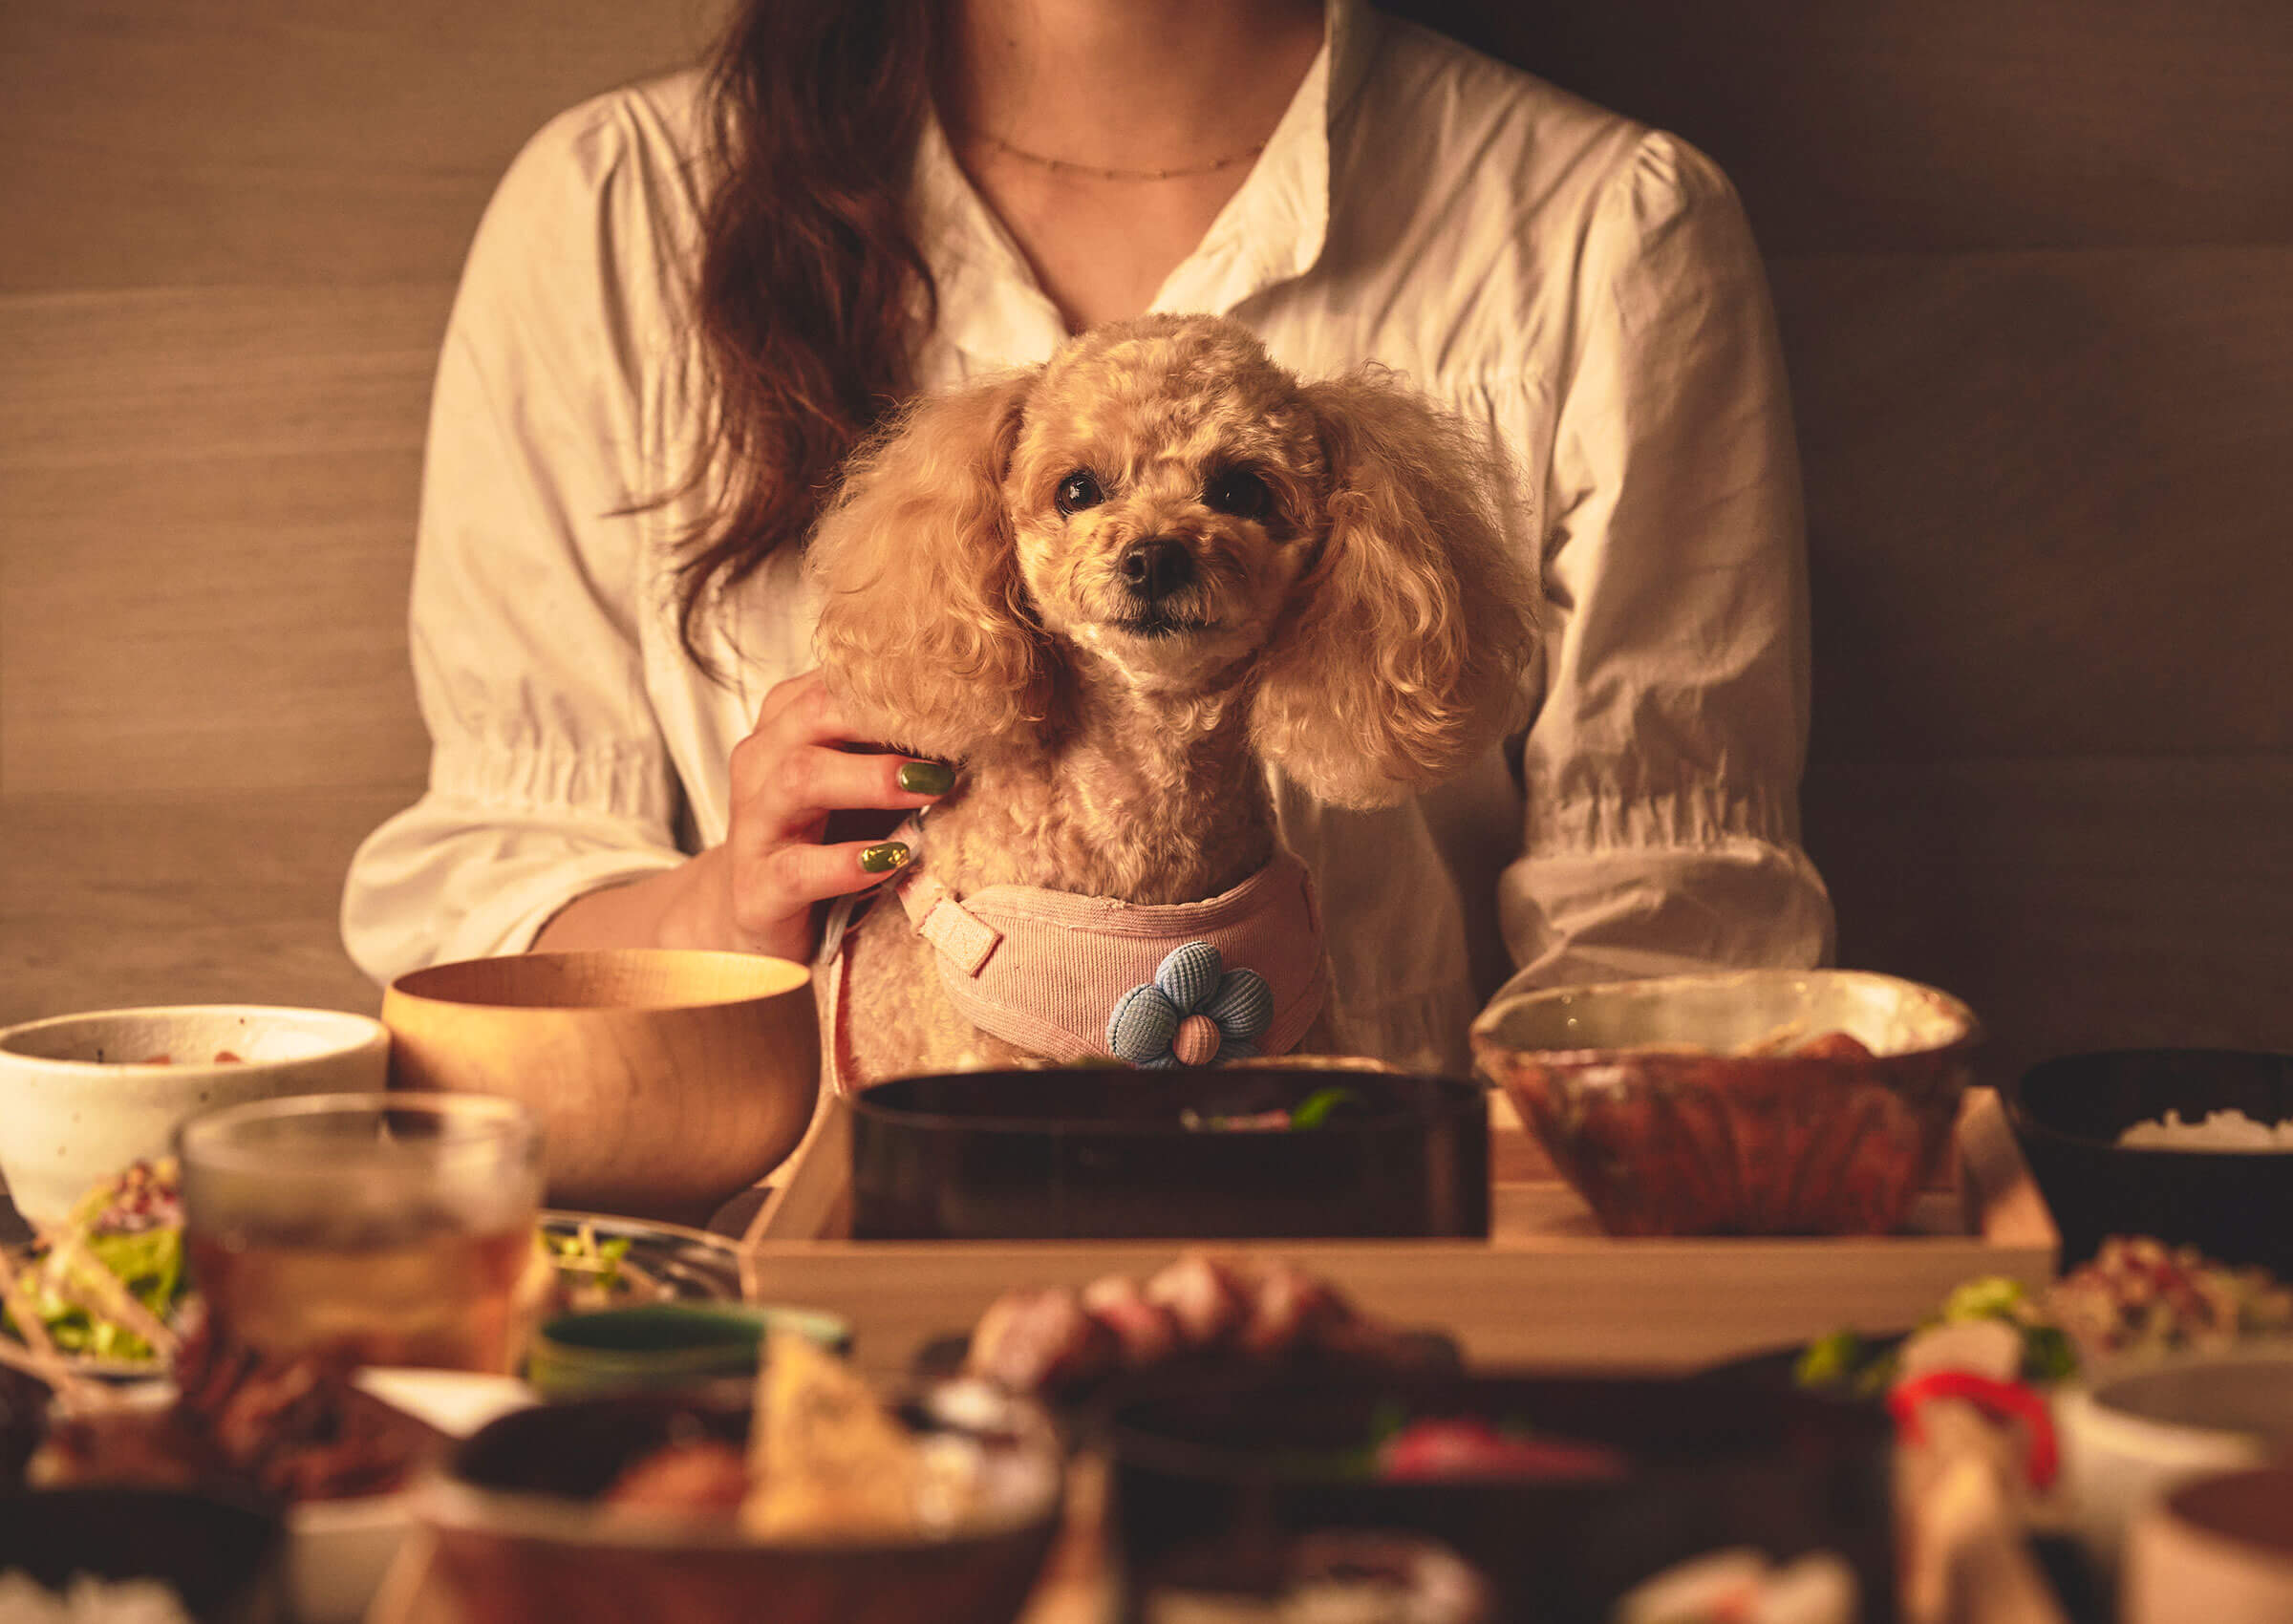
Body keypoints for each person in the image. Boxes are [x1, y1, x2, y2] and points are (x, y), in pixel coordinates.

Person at [341, 0, 1834, 1075]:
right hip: (822, 1277)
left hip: (1349, 1276)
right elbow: (493, 917)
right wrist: (732, 902)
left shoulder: (1607, 232)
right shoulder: (616, 216)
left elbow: (1670, 943)